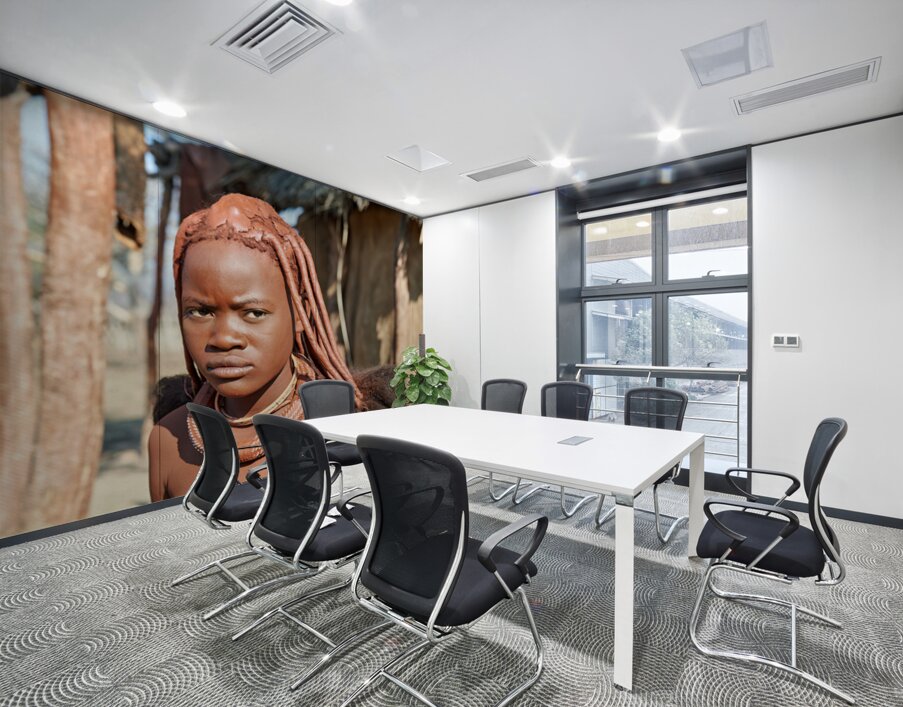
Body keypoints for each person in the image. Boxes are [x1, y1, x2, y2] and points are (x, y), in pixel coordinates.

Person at [148, 193, 364, 501]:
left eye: (254, 313)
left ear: (299, 313)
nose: (223, 338)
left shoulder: (346, 432)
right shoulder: (169, 440)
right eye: (200, 311)